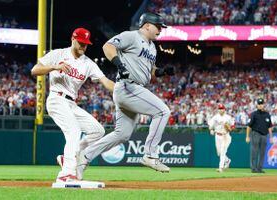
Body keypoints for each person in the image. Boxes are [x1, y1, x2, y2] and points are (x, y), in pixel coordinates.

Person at [76, 12, 175, 179]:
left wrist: (162, 72)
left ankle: (84, 156)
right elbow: (107, 47)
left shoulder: (152, 47)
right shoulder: (131, 36)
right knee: (163, 111)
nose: (161, 30)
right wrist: (119, 64)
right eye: (158, 26)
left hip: (134, 89)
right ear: (147, 25)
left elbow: (150, 72)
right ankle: (150, 154)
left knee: (122, 134)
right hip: (128, 87)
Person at [31, 27, 115, 185]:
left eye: (86, 43)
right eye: (81, 42)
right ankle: (66, 173)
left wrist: (121, 90)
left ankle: (68, 158)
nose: (84, 46)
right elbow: (35, 70)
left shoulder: (88, 64)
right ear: (73, 39)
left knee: (98, 131)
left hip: (71, 103)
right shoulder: (58, 54)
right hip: (56, 99)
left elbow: (105, 81)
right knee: (74, 131)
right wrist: (54, 67)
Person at [246, 98, 273, 173]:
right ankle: (253, 168)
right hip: (255, 134)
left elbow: (270, 126)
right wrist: (247, 136)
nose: (261, 105)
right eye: (259, 104)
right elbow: (249, 126)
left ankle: (259, 168)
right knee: (254, 151)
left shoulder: (267, 114)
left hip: (264, 135)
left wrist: (271, 137)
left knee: (262, 152)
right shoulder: (254, 114)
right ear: (257, 105)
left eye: (262, 104)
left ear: (264, 105)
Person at [208, 103, 235, 172]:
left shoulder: (228, 117)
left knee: (223, 151)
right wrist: (211, 129)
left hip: (225, 136)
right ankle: (227, 160)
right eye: (219, 109)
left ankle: (221, 168)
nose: (220, 110)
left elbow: (233, 126)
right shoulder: (215, 117)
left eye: (222, 109)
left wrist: (230, 128)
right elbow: (210, 125)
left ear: (224, 109)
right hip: (217, 135)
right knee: (219, 153)